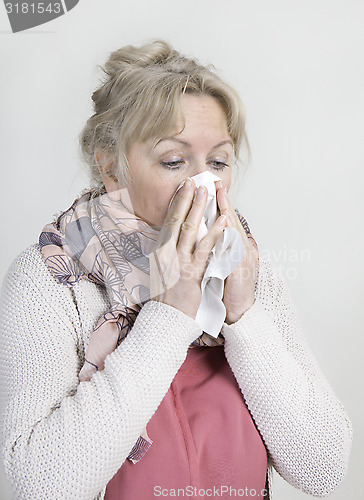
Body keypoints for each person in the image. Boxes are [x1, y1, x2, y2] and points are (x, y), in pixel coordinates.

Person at [0, 39, 352, 500]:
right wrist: (168, 314)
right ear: (111, 167)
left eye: (219, 162)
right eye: (173, 161)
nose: (204, 185)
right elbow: (40, 487)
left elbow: (323, 470)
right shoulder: (50, 277)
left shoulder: (246, 270)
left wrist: (244, 316)